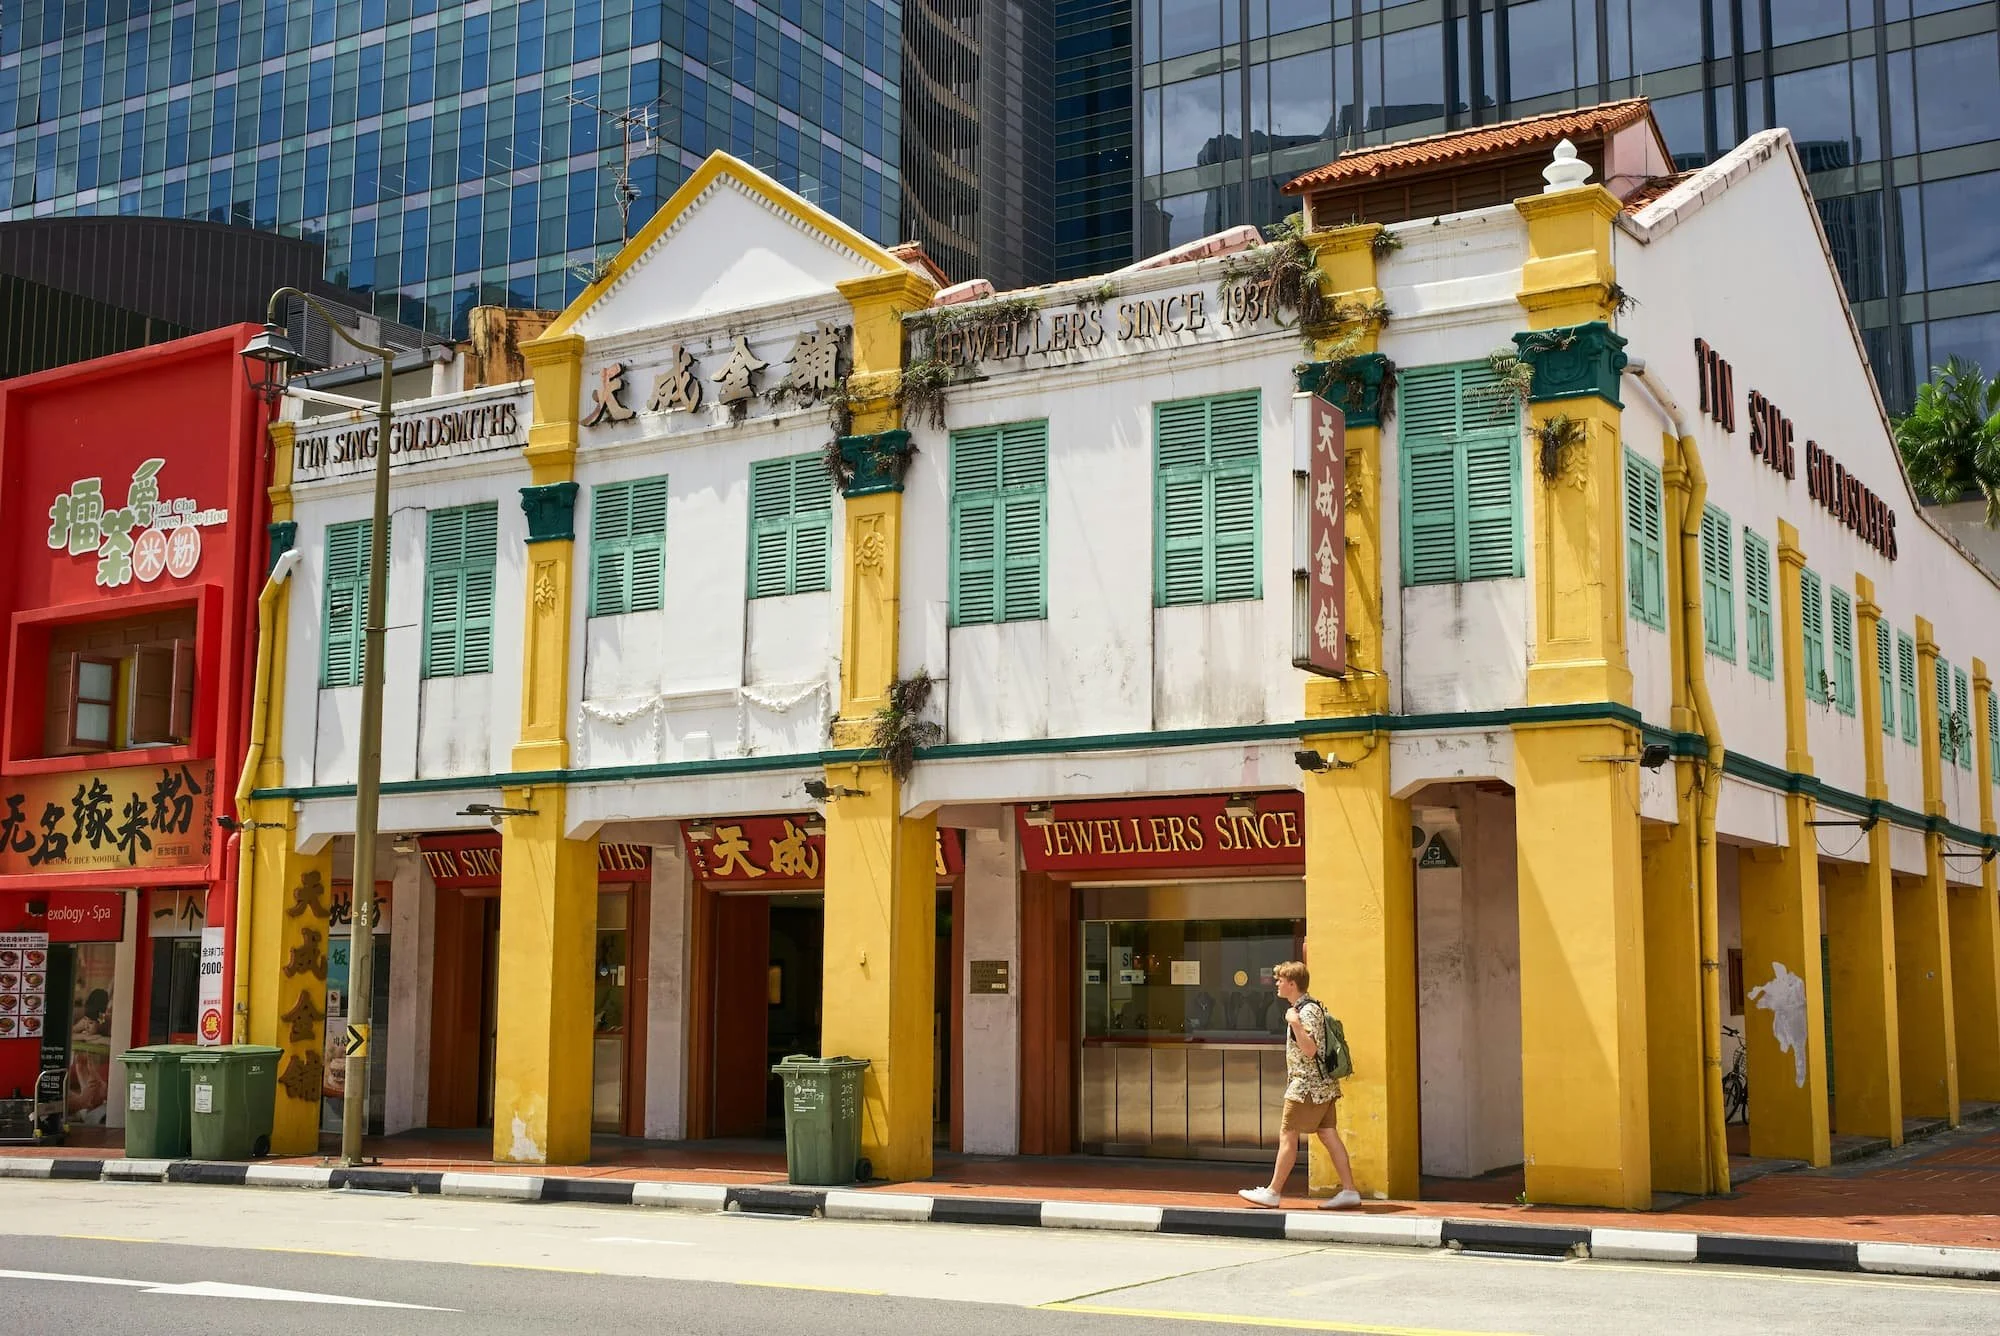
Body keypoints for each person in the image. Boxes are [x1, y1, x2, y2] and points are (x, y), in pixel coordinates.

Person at [1238, 960, 1361, 1210]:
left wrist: (1293, 1021)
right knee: (1328, 1134)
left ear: (1292, 984)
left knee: (1288, 1135)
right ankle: (1349, 1191)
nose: (1277, 984)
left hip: (1306, 1088)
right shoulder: (1309, 1008)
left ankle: (1273, 1192)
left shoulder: (1305, 1012)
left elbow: (1310, 1049)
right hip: (1321, 1087)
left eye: (1280, 980)